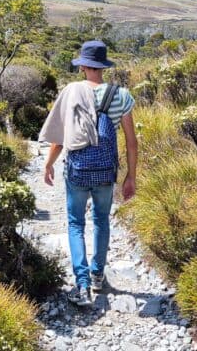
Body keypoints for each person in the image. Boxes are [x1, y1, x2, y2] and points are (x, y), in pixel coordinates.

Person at [38, 40, 137, 307]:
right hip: (105, 171)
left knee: (75, 224)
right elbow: (131, 142)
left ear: (83, 66)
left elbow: (61, 138)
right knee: (102, 220)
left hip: (78, 171)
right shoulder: (121, 95)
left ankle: (81, 285)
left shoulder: (71, 91)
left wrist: (48, 164)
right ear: (103, 66)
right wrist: (131, 176)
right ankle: (97, 276)